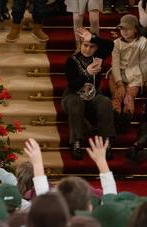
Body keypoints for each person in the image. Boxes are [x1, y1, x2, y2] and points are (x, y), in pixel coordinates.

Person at [62, 27, 115, 160]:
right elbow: (73, 85)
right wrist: (87, 74)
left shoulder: (98, 57)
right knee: (76, 102)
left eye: (92, 46)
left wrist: (92, 37)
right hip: (72, 96)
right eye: (85, 45)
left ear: (97, 48)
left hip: (93, 96)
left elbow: (110, 45)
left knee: (105, 102)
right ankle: (76, 142)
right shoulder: (71, 61)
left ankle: (106, 141)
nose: (87, 49)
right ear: (80, 45)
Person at [108, 14, 147, 132]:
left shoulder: (142, 42)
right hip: (117, 74)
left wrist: (145, 78)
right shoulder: (116, 43)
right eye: (122, 28)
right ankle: (115, 115)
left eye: (127, 28)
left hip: (135, 74)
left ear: (135, 29)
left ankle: (126, 116)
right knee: (117, 95)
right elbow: (115, 64)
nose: (124, 31)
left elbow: (144, 62)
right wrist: (119, 83)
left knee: (129, 96)